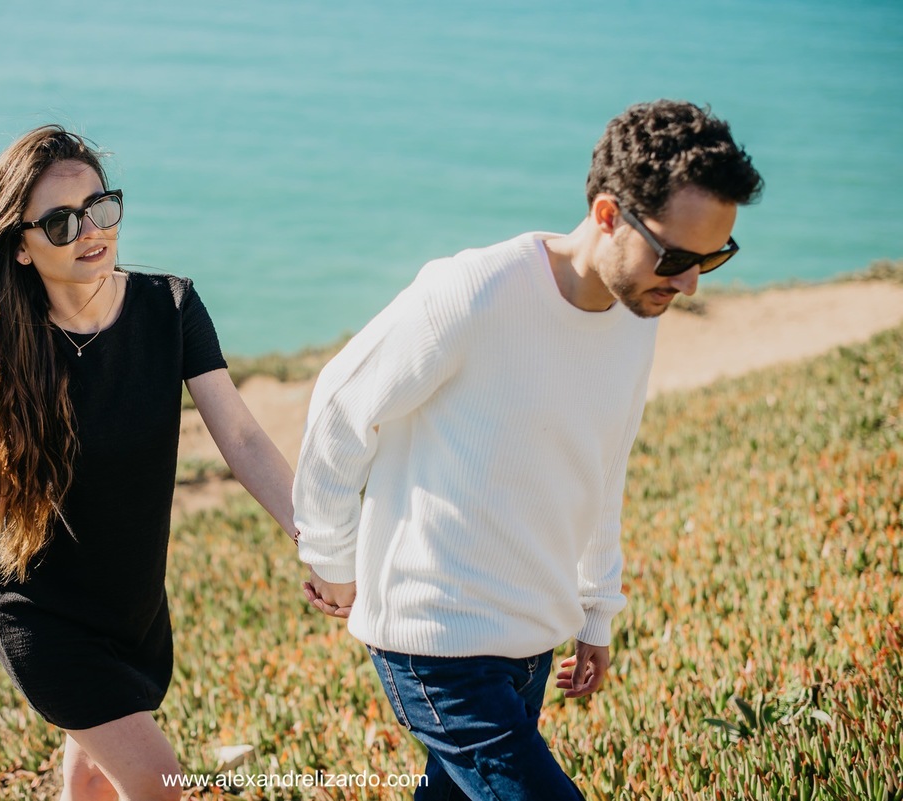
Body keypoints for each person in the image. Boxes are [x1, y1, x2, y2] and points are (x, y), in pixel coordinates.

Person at [292, 100, 763, 800]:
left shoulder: (638, 314)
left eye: (713, 258)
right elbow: (342, 401)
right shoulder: (474, 292)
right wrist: (330, 555)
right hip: (435, 638)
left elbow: (604, 467)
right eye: (676, 256)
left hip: (530, 635)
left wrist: (595, 607)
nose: (691, 282)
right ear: (608, 214)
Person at [0, 125, 295, 801]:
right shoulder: (3, 342)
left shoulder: (172, 306)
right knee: (159, 785)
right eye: (61, 222)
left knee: (93, 775)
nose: (90, 230)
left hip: (134, 611)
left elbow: (240, 436)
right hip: (42, 611)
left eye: (100, 206)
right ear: (23, 246)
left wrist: (316, 535)